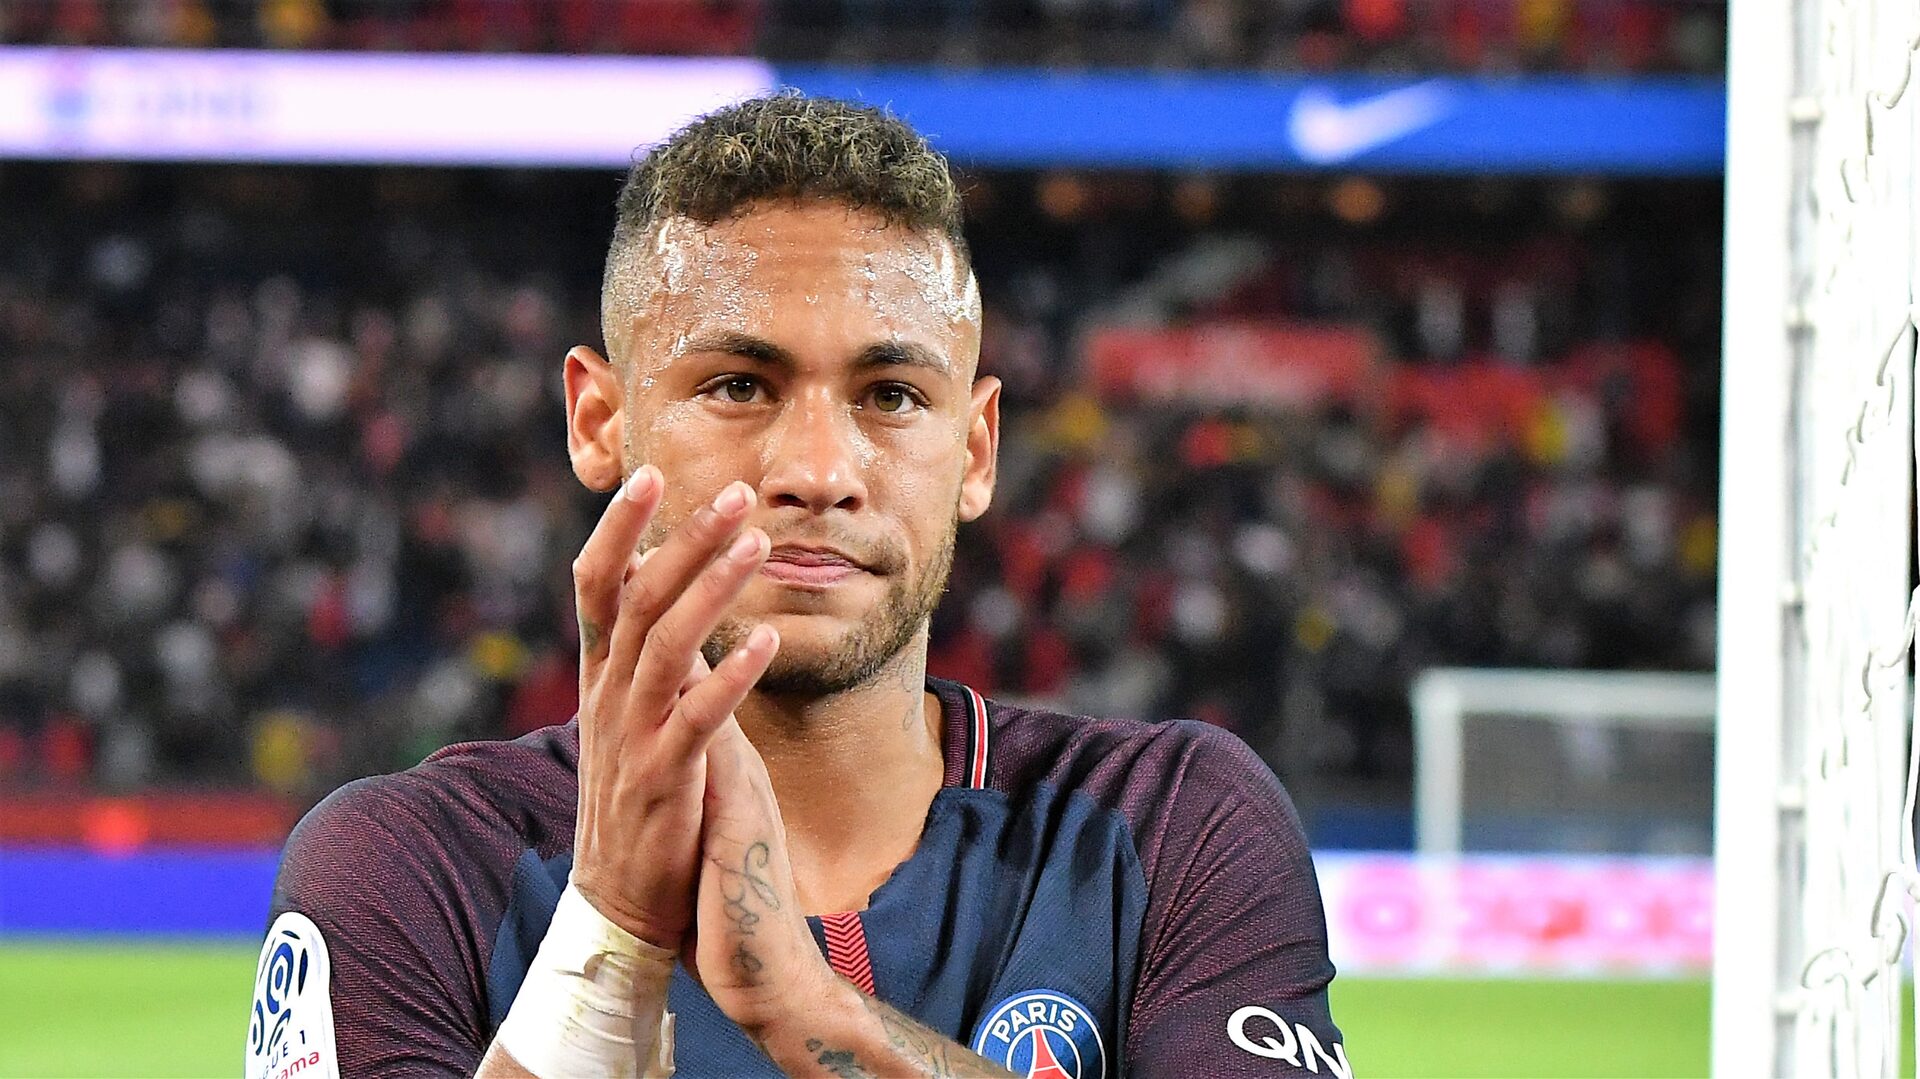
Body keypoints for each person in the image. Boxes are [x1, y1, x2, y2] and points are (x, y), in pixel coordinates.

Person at [246, 94, 1345, 1079]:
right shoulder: (410, 867)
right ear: (598, 419)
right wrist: (610, 939)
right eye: (738, 384)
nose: (819, 471)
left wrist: (809, 1011)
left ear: (976, 449)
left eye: (892, 394)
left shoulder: (1165, 824)